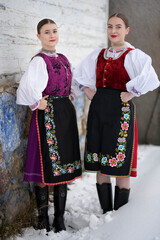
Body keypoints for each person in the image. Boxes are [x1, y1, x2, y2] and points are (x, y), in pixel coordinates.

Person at [72, 13, 160, 214]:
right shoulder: (98, 54)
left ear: (126, 30)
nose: (113, 31)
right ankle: (106, 212)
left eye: (118, 27)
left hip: (121, 112)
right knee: (101, 161)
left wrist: (133, 92)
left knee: (120, 162)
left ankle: (120, 216)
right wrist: (87, 90)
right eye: (110, 26)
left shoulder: (134, 55)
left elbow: (151, 77)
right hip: (98, 110)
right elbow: (79, 75)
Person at [16, 18, 82, 233]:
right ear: (39, 36)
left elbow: (70, 82)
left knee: (64, 164)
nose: (52, 35)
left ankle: (60, 218)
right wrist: (37, 102)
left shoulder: (62, 58)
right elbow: (26, 87)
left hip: (65, 114)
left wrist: (72, 92)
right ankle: (43, 218)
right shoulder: (38, 60)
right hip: (48, 115)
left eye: (54, 31)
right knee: (45, 163)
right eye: (46, 32)